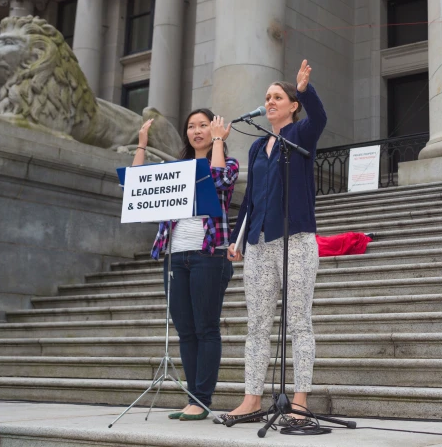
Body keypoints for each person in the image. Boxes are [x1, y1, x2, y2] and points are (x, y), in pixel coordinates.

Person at [222, 60, 325, 426]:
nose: (270, 102)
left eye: (277, 96)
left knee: (299, 321)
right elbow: (250, 199)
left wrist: (305, 89)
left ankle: (299, 398)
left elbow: (320, 120)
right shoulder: (257, 147)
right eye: (267, 97)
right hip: (258, 243)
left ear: (292, 104)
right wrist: (237, 239)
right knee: (257, 325)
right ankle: (251, 398)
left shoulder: (300, 136)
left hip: (296, 239)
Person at [132, 109, 239, 421]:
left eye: (203, 126)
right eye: (191, 126)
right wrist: (141, 144)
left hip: (208, 254)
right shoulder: (176, 168)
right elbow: (138, 188)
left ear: (214, 130)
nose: (197, 131)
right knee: (186, 330)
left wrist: (218, 141)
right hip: (175, 256)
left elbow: (218, 180)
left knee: (206, 328)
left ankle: (201, 399)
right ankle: (193, 397)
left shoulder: (228, 164)